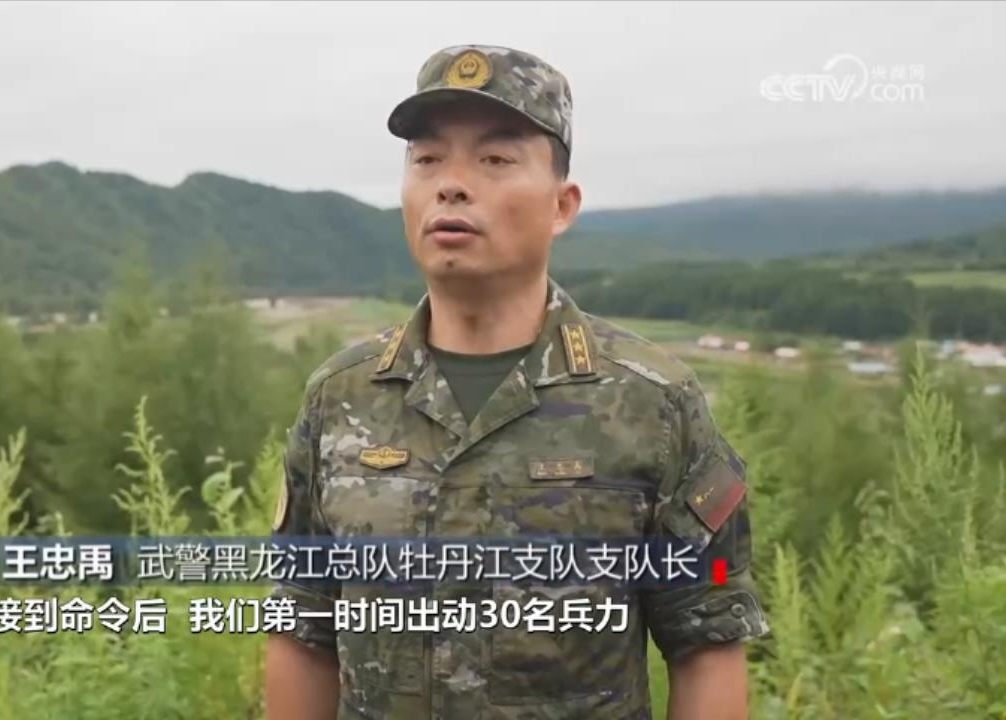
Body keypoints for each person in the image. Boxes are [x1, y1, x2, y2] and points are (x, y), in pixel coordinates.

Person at [264, 44, 769, 720]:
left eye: (496, 160)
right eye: (427, 159)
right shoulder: (341, 396)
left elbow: (706, 639)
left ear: (562, 205)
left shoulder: (650, 402)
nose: (451, 185)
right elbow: (303, 629)